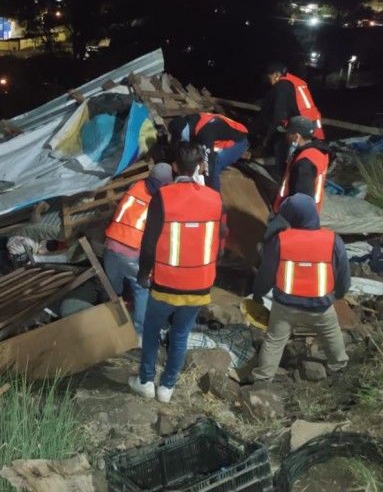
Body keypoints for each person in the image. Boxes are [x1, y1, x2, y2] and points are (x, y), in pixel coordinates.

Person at [128, 143, 226, 403]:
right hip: (200, 286)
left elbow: (149, 243)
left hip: (166, 285)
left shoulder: (163, 197)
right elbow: (221, 240)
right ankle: (167, 388)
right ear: (199, 167)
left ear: (174, 167)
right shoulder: (215, 198)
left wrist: (143, 273)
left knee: (151, 330)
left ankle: (146, 381)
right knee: (180, 335)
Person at [250, 193, 350, 382]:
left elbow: (266, 273)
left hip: (285, 306)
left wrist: (257, 294)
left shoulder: (280, 240)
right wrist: (341, 292)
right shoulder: (333, 239)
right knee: (331, 333)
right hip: (321, 306)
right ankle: (339, 367)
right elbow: (343, 271)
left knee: (274, 341)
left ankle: (262, 379)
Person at [104, 163, 174, 340]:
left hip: (111, 243)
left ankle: (111, 322)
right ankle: (139, 334)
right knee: (142, 288)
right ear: (167, 182)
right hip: (131, 249)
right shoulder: (161, 199)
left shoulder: (136, 185)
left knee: (112, 286)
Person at [252, 61, 324, 175]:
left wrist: (268, 135)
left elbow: (278, 113)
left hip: (303, 125)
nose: (269, 81)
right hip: (311, 122)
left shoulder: (282, 86)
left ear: (276, 74)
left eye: (269, 77)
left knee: (285, 150)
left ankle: (282, 175)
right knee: (288, 148)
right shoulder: (292, 81)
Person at [167, 113, 249, 193]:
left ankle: (215, 196)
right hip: (218, 136)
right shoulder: (189, 122)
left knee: (214, 165)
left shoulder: (205, 133)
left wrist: (208, 190)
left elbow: (209, 164)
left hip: (237, 142)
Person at [273, 116, 332, 214]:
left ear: (296, 136)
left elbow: (302, 198)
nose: (286, 136)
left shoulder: (305, 162)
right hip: (310, 211)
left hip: (293, 214)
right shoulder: (318, 152)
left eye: (288, 133)